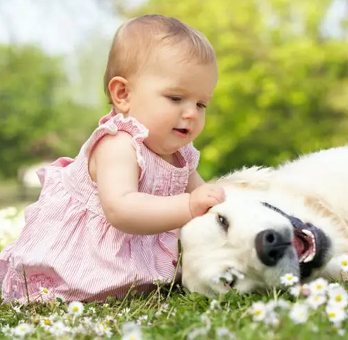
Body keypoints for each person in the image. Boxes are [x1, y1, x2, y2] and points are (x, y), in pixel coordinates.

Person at [0, 14, 225, 303]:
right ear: (123, 94)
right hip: (80, 262)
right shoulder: (117, 143)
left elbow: (207, 199)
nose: (192, 113)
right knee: (64, 290)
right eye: (175, 98)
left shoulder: (180, 156)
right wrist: (189, 205)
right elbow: (122, 209)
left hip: (129, 264)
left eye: (201, 103)